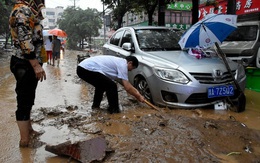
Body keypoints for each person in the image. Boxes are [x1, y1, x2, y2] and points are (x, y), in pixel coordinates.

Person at [9, 0, 46, 147]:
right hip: (25, 62)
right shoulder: (22, 11)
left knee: (29, 97)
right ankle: (24, 141)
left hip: (29, 62)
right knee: (24, 101)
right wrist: (36, 65)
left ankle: (29, 130)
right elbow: (24, 40)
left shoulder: (28, 10)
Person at [76, 55, 145, 114]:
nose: (131, 70)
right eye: (132, 68)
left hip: (81, 68)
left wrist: (137, 93)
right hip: (86, 69)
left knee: (101, 86)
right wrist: (138, 96)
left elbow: (126, 85)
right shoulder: (123, 64)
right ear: (130, 63)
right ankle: (114, 111)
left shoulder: (118, 62)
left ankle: (95, 107)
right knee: (112, 86)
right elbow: (127, 87)